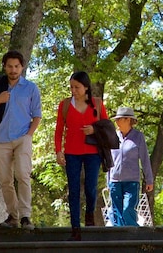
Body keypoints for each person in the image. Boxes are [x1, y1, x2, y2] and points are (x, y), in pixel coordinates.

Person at [0, 50, 43, 229]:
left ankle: (25, 216)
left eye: (16, 66)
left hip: (23, 137)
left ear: (22, 67)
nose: (13, 70)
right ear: (5, 67)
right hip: (1, 139)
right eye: (10, 66)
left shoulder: (31, 88)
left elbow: (37, 115)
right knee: (5, 180)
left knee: (23, 175)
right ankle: (13, 216)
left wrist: (28, 136)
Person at [55, 71, 108, 240]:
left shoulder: (97, 104)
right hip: (71, 153)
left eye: (77, 87)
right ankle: (75, 227)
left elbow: (107, 126)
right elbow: (58, 130)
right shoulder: (64, 105)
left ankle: (90, 214)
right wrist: (58, 150)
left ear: (86, 87)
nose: (73, 90)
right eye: (71, 87)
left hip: (93, 152)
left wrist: (94, 129)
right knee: (74, 190)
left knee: (91, 189)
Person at [107, 106, 154, 226]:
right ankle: (119, 241)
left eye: (119, 119)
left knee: (128, 210)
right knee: (117, 214)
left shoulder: (138, 137)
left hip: (132, 181)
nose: (116, 122)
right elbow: (109, 160)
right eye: (116, 119)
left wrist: (149, 180)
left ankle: (133, 238)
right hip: (115, 181)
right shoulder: (113, 136)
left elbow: (145, 159)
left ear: (128, 120)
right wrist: (108, 181)